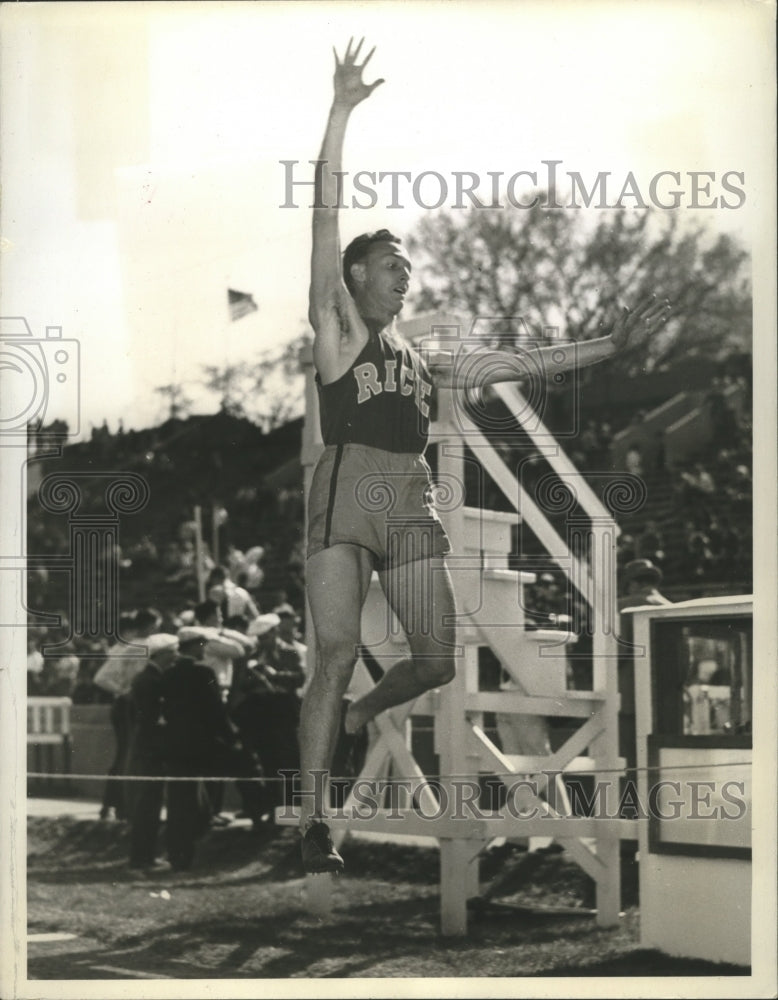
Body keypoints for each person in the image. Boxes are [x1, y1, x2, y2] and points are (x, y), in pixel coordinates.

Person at [298, 37, 672, 873]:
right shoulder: (337, 328)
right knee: (333, 652)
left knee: (435, 662)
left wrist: (609, 345)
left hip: (409, 496)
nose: (406, 277)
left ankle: (361, 714)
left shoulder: (420, 359)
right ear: (355, 276)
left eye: (408, 268)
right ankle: (314, 817)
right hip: (347, 486)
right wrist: (340, 111)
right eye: (392, 266)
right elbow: (323, 216)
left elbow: (520, 364)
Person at [93, 608, 162, 821]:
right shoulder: (133, 648)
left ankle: (115, 804)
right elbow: (101, 678)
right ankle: (119, 805)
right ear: (150, 625)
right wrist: (124, 692)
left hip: (135, 704)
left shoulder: (135, 646)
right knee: (127, 755)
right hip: (129, 705)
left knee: (129, 755)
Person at [126, 633, 179, 871]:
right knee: (148, 804)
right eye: (173, 652)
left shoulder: (146, 678)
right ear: (163, 654)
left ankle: (144, 856)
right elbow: (151, 718)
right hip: (150, 750)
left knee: (150, 804)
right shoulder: (152, 681)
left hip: (147, 748)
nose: (176, 657)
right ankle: (141, 859)